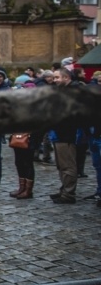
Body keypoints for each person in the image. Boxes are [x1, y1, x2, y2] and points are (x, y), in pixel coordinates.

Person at [50, 67, 83, 204]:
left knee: (68, 165)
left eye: (57, 77)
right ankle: (64, 189)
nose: (55, 80)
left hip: (67, 133)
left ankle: (69, 194)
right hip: (59, 133)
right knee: (61, 165)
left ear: (66, 78)